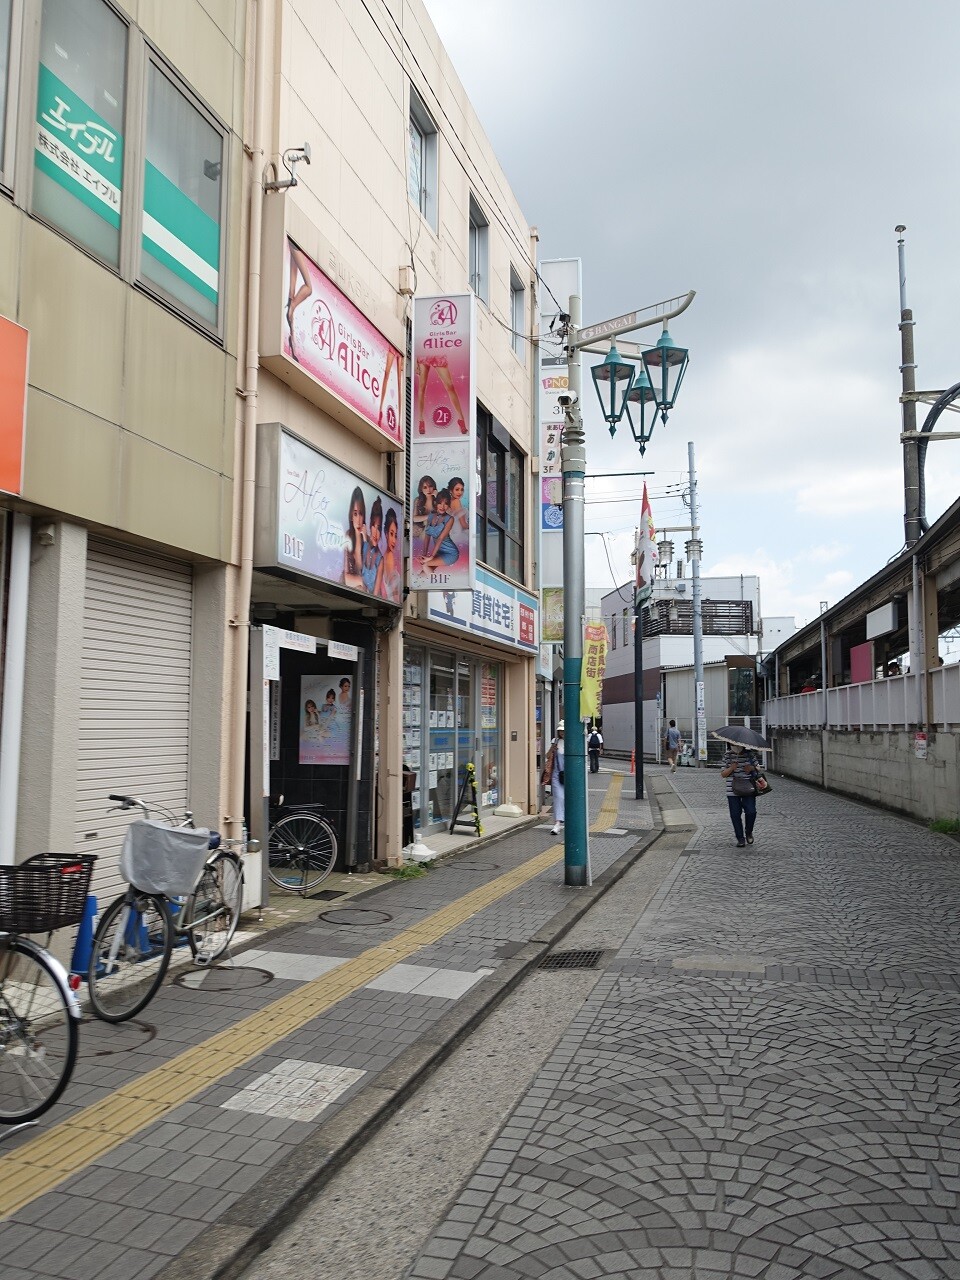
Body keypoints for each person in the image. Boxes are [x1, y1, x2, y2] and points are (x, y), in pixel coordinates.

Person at [719, 743, 762, 848]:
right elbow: (723, 774)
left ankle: (749, 831)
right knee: (735, 814)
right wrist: (732, 768)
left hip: (748, 787)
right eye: (733, 744)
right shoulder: (727, 755)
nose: (735, 746)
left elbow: (758, 768)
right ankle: (740, 838)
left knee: (751, 811)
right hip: (732, 788)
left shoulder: (750, 754)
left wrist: (751, 768)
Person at [420, 489, 459, 573]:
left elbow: (440, 538)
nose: (442, 506)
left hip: (450, 553)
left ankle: (432, 585)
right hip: (439, 552)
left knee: (426, 565)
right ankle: (430, 585)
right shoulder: (431, 516)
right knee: (422, 573)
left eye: (446, 504)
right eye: (440, 503)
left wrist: (431, 556)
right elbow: (427, 536)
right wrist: (424, 555)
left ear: (448, 505)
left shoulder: (450, 519)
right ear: (436, 503)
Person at [541, 721, 565, 835]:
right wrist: (552, 749)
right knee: (558, 798)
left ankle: (565, 818)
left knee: (567, 799)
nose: (562, 733)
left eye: (564, 730)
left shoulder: (574, 742)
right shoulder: (555, 741)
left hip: (570, 775)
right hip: (557, 773)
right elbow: (547, 756)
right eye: (560, 731)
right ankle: (557, 823)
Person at [374, 507, 402, 602]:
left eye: (396, 535)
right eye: (391, 534)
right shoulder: (384, 560)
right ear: (386, 534)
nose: (394, 540)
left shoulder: (391, 559)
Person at [343, 487, 365, 591]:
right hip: (348, 585)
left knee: (361, 588)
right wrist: (362, 581)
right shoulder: (348, 535)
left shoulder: (366, 539)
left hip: (360, 588)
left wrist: (361, 538)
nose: (358, 520)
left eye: (361, 513)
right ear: (351, 515)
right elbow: (347, 578)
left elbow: (362, 569)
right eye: (355, 514)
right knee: (361, 587)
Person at [361, 497, 383, 594]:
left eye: (378, 528)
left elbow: (376, 595)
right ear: (370, 526)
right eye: (374, 526)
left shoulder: (380, 559)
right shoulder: (363, 547)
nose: (375, 533)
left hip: (373, 605)